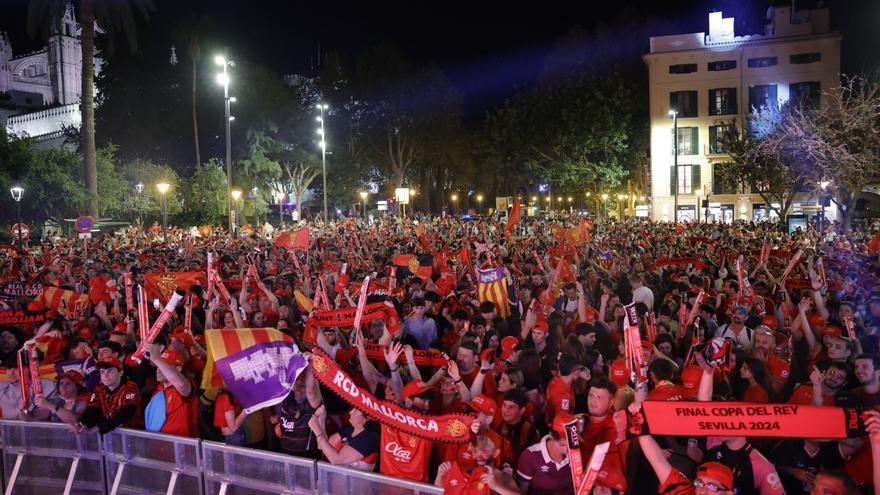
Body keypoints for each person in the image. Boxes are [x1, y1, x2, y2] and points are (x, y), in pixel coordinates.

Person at [143, 344, 198, 437]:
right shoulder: (158, 389)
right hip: (158, 446)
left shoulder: (187, 385)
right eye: (158, 366)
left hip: (183, 446)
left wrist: (157, 359)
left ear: (178, 368)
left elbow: (182, 386)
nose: (158, 370)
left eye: (164, 366)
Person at [77, 357, 141, 434]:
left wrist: (100, 428)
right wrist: (84, 424)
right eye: (102, 372)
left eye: (110, 371)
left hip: (132, 435)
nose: (106, 375)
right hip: (110, 434)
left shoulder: (130, 387)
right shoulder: (99, 388)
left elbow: (126, 413)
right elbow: (93, 409)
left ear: (120, 373)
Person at [308, 404, 379, 472]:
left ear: (369, 417)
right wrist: (321, 422)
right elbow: (323, 447)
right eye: (353, 408)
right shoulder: (349, 430)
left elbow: (336, 459)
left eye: (356, 410)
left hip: (355, 484)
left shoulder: (369, 438)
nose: (351, 412)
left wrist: (317, 430)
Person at [516, 413, 573, 495]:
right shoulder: (530, 457)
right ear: (551, 435)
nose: (569, 446)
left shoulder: (576, 451)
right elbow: (520, 492)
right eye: (563, 443)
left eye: (572, 442)